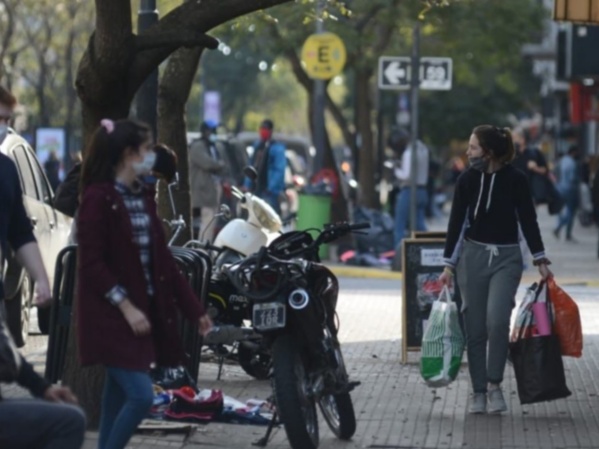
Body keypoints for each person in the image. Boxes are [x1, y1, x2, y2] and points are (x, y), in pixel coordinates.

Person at [76, 118, 213, 449]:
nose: (151, 156)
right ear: (127, 154)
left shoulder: (142, 197)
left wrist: (195, 311)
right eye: (145, 149)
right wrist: (125, 305)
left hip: (140, 318)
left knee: (115, 399)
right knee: (140, 397)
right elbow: (91, 263)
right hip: (110, 320)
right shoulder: (98, 198)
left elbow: (162, 261)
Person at [439, 125, 552, 414]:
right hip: (472, 257)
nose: (468, 153)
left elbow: (528, 220)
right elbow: (456, 223)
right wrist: (448, 266)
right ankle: (478, 392)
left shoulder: (516, 180)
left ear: (488, 152)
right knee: (474, 327)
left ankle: (494, 385)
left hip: (507, 258)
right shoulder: (466, 180)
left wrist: (540, 259)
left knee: (498, 320)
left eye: (473, 148)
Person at [0, 84, 86, 449]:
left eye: (6, 120)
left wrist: (41, 278)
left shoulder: (6, 169)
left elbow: (20, 230)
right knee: (68, 425)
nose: (4, 127)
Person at [190, 120, 226, 242]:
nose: (214, 133)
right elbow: (209, 164)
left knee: (211, 222)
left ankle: (207, 248)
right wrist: (219, 164)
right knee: (207, 222)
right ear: (205, 131)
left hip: (212, 190)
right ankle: (202, 251)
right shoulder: (198, 146)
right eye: (212, 131)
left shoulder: (213, 147)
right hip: (203, 191)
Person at [392, 130, 429, 247]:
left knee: (399, 225)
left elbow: (406, 175)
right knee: (420, 225)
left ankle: (398, 254)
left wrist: (396, 169)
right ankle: (427, 247)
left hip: (409, 190)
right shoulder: (423, 150)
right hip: (422, 189)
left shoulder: (409, 153)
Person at [246, 119, 286, 214]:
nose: (263, 131)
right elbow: (251, 166)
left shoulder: (277, 148)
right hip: (256, 189)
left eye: (266, 129)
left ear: (271, 131)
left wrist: (271, 187)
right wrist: (247, 184)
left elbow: (279, 170)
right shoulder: (258, 146)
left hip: (269, 191)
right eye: (262, 128)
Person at [553, 145, 581, 242]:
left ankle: (559, 227)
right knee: (571, 212)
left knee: (561, 210)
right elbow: (573, 178)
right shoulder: (572, 163)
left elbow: (554, 173)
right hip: (570, 189)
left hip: (560, 188)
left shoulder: (562, 161)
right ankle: (565, 232)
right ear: (573, 152)